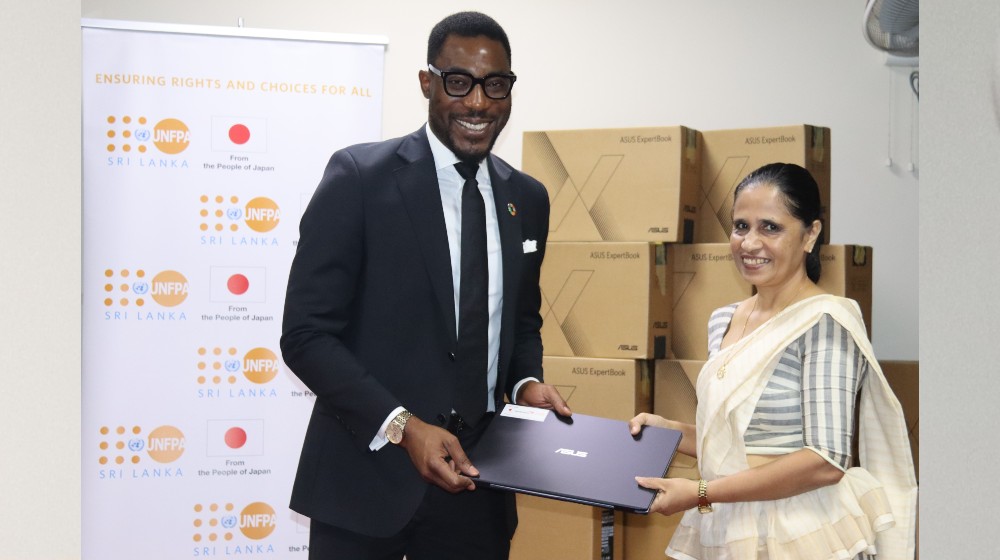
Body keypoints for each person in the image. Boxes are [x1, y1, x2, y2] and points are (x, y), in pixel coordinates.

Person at [280, 11, 571, 560]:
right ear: (427, 83)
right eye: (458, 83)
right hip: (364, 488)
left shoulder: (528, 199)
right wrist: (402, 426)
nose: (479, 104)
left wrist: (527, 380)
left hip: (477, 489)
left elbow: (521, 321)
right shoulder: (360, 179)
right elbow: (306, 336)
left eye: (496, 85)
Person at [630, 163, 917, 559]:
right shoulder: (723, 320)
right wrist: (672, 433)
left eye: (770, 227)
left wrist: (700, 492)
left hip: (800, 531)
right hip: (730, 527)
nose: (749, 244)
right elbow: (738, 445)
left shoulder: (825, 321)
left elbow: (825, 460)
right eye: (740, 226)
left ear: (810, 234)